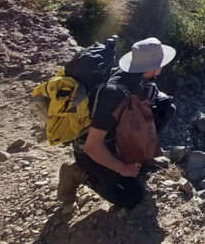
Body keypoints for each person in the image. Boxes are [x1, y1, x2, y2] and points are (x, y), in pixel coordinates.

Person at [57, 37, 177, 212]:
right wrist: (122, 168)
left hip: (117, 137)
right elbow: (92, 146)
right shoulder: (114, 94)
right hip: (92, 150)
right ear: (153, 67)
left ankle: (137, 155)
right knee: (132, 196)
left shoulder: (139, 77)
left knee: (166, 107)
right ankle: (76, 173)